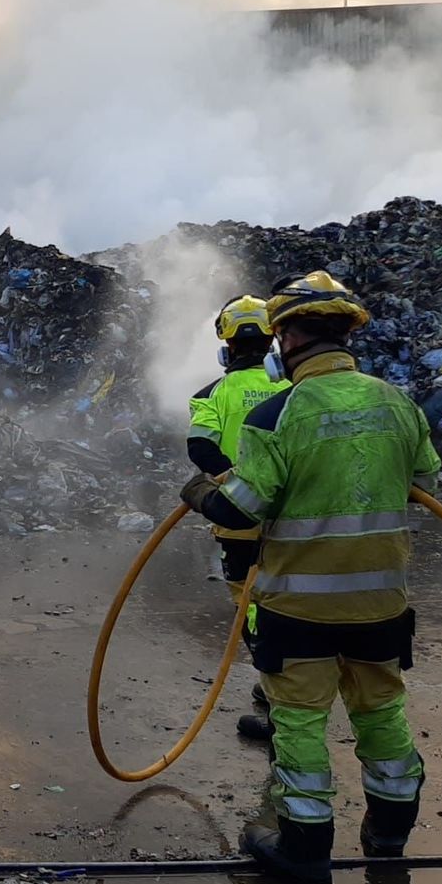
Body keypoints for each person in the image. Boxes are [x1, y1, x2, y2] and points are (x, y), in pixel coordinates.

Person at [181, 271, 439, 884]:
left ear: (289, 335)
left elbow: (241, 507)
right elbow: (424, 482)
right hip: (381, 604)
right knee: (382, 714)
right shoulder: (397, 403)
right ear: (348, 331)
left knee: (297, 721)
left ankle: (304, 849)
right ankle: (387, 836)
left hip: (299, 609)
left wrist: (197, 493)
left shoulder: (278, 414)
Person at [187, 295, 291, 743]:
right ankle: (296, 686)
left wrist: (229, 478)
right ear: (271, 340)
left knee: (251, 607)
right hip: (293, 520)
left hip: (239, 518)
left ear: (226, 346)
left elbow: (200, 448)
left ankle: (276, 695)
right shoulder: (295, 389)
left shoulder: (212, 393)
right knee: (294, 596)